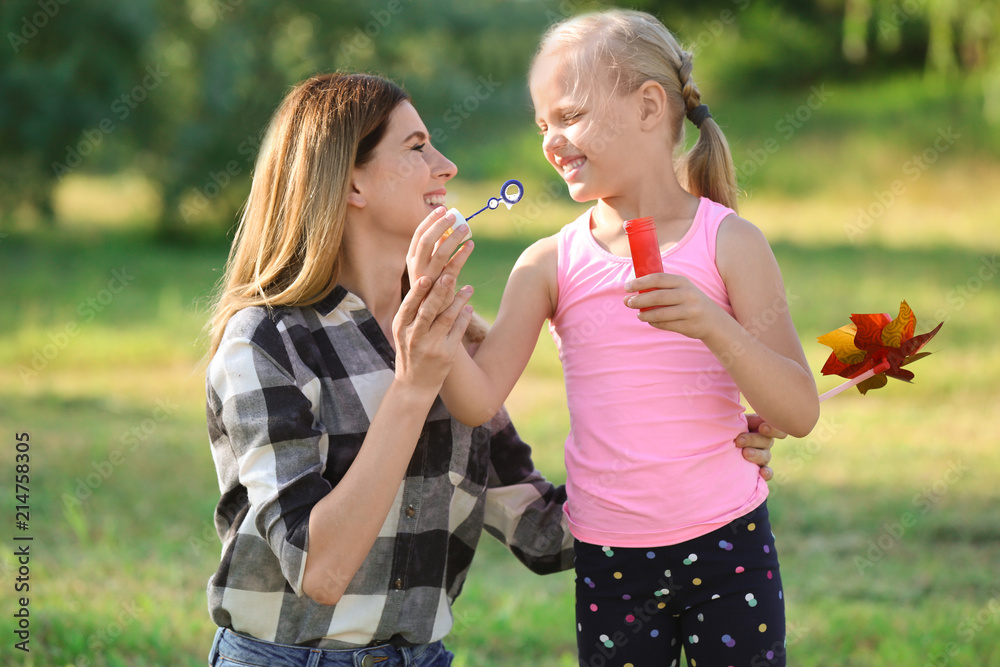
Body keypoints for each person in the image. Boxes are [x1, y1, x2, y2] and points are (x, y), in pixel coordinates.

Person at [202, 72, 780, 667]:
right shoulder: (266, 341)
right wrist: (413, 386)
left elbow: (543, 532)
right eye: (417, 146)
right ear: (352, 182)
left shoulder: (447, 338)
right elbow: (317, 570)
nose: (446, 165)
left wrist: (701, 469)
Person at [433, 9, 820, 667]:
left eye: (571, 116)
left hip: (727, 539)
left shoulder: (729, 242)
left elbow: (799, 411)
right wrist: (434, 323)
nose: (552, 140)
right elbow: (477, 401)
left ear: (648, 107)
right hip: (610, 553)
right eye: (542, 125)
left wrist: (712, 324)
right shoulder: (547, 263)